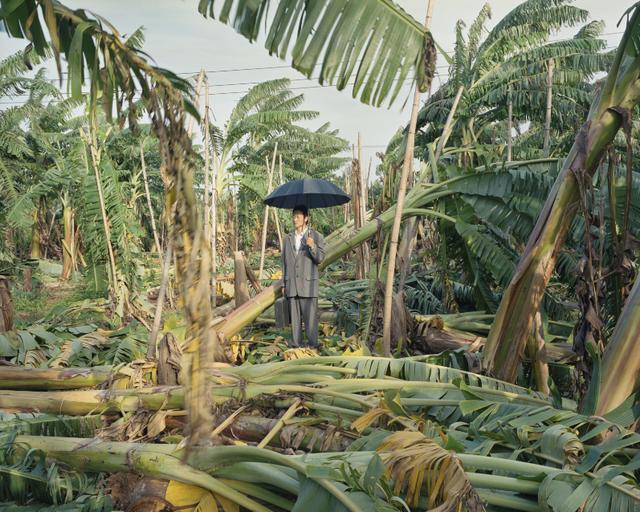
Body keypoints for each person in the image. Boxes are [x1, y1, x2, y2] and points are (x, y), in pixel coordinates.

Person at [281, 205, 325, 347]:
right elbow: (284, 262)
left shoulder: (316, 236)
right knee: (294, 320)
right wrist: (283, 283)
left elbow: (320, 259)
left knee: (311, 320)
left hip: (308, 285)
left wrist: (312, 246)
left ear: (306, 218)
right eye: (293, 216)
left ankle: (313, 345)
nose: (295, 219)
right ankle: (296, 345)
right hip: (292, 285)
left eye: (298, 216)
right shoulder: (287, 238)